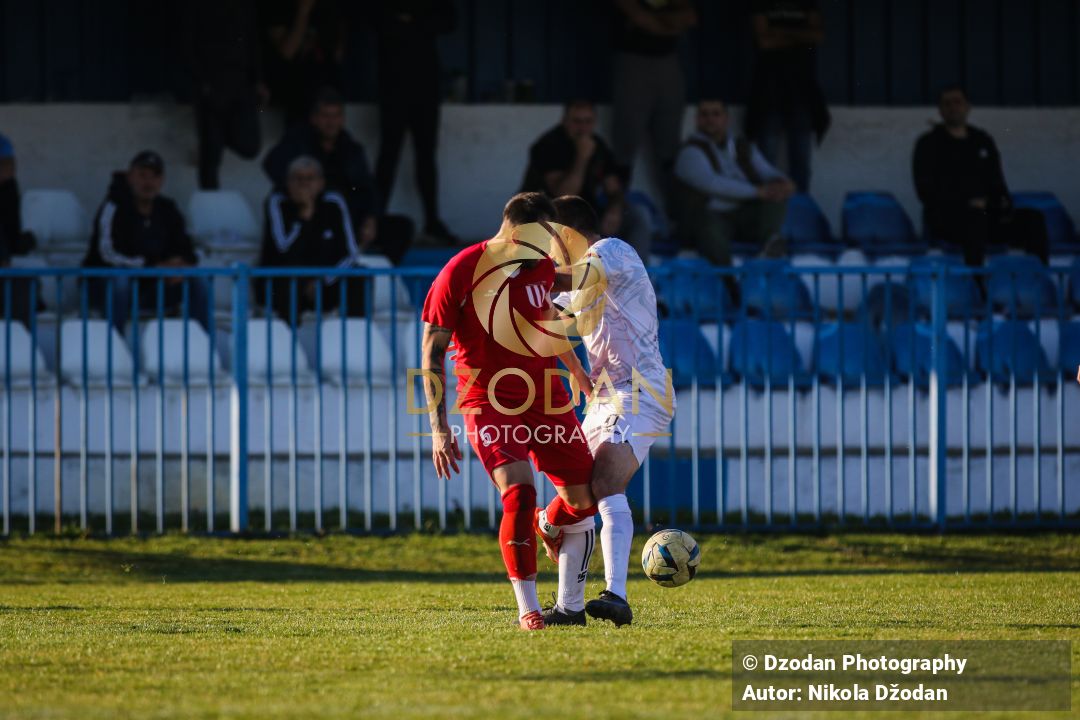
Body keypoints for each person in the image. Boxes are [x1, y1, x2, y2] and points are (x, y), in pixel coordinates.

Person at [420, 192, 599, 631]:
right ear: (518, 232)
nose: (548, 250)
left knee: (585, 499)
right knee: (519, 493)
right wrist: (439, 427)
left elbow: (548, 321)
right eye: (543, 238)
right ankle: (530, 609)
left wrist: (576, 370)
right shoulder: (461, 270)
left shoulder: (537, 266)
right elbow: (431, 351)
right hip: (488, 399)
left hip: (545, 396)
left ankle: (550, 526)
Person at [535, 195, 673, 627]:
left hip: (641, 389)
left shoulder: (611, 251)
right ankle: (569, 606)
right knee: (578, 492)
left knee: (606, 479)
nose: (548, 250)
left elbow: (569, 277)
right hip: (603, 396)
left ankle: (616, 593)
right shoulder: (580, 282)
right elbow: (547, 327)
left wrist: (523, 273)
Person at [263, 87, 413, 264]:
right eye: (326, 116)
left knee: (402, 227)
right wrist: (301, 193)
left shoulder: (350, 148)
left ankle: (379, 280)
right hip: (314, 217)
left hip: (349, 218)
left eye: (336, 116)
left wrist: (371, 217)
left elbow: (368, 188)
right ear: (314, 118)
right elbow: (271, 165)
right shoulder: (297, 142)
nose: (331, 122)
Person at [913, 86, 1049, 267]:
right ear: (940, 110)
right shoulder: (928, 144)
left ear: (968, 106)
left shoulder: (982, 140)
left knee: (1033, 219)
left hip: (988, 216)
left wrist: (997, 204)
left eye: (957, 102)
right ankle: (978, 285)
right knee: (974, 219)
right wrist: (967, 203)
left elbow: (998, 183)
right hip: (949, 220)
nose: (953, 107)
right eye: (946, 103)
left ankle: (1040, 278)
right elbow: (925, 191)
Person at [83, 151, 211, 332]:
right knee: (120, 280)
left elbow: (186, 246)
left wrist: (181, 264)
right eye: (142, 176)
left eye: (155, 176)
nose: (148, 183)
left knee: (198, 280)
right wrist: (154, 267)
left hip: (152, 288)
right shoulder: (113, 206)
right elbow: (108, 254)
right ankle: (113, 348)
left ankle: (203, 349)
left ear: (162, 180)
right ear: (130, 177)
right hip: (104, 287)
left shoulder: (168, 208)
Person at [369, 0, 459, 245]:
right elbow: (377, 21)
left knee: (426, 155)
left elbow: (448, 21)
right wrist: (417, 23)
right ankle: (374, 220)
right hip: (393, 85)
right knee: (389, 153)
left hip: (425, 84)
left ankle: (432, 220)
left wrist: (410, 21)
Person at [520, 100, 652, 260]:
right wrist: (582, 157)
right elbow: (564, 194)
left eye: (588, 122)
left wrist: (615, 209)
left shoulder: (597, 145)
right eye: (577, 121)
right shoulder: (548, 145)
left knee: (639, 215)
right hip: (550, 213)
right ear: (565, 121)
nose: (582, 128)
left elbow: (614, 188)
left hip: (588, 212)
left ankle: (635, 276)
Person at [673, 100, 795, 266]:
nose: (710, 119)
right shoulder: (689, 151)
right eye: (704, 114)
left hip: (744, 215)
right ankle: (731, 284)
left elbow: (767, 171)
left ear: (726, 118)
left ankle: (771, 249)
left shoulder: (742, 146)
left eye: (716, 114)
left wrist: (783, 183)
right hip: (710, 215)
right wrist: (758, 192)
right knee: (709, 231)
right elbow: (713, 184)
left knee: (777, 198)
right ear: (697, 119)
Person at [610, 0, 697, 211]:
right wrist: (669, 22)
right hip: (633, 62)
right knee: (625, 144)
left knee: (670, 147)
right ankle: (617, 215)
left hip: (669, 61)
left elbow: (690, 17)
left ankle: (678, 219)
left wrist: (660, 22)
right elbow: (643, 19)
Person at [258, 156, 369, 319]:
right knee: (290, 277)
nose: (304, 184)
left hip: (324, 284)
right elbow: (283, 252)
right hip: (284, 284)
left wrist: (323, 279)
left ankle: (358, 334)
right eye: (298, 179)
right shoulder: (277, 201)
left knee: (359, 274)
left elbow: (350, 254)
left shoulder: (333, 202)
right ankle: (288, 339)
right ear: (288, 182)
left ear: (321, 182)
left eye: (310, 179)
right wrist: (304, 216)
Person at [745, 0, 829, 193]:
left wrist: (779, 32)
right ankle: (768, 215)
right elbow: (764, 41)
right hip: (769, 89)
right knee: (766, 162)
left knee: (801, 163)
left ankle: (801, 213)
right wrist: (800, 36)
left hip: (802, 89)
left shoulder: (807, 4)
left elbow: (817, 35)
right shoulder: (761, 4)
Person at [183, 0, 267, 190]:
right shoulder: (197, 6)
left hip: (241, 83)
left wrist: (258, 79)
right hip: (210, 85)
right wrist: (201, 83)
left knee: (250, 146)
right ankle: (210, 205)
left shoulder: (245, 6)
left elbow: (253, 42)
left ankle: (223, 136)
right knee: (210, 157)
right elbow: (187, 43)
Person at [263, 0, 347, 127]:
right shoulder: (278, 6)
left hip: (327, 82)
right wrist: (303, 11)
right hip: (295, 90)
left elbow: (338, 50)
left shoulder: (328, 7)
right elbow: (286, 53)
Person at [0, 133, 38, 325]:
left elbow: (11, 231)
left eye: (10, 161)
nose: (10, 167)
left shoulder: (9, 189)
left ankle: (20, 346)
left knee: (24, 284)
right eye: (4, 162)